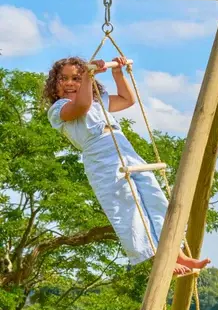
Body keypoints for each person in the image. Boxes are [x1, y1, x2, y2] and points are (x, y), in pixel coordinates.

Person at [44, 56, 209, 276]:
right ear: (54, 85)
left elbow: (127, 99)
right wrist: (88, 76)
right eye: (63, 79)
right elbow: (81, 106)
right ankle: (157, 258)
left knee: (153, 197)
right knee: (127, 206)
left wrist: (117, 73)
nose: (70, 83)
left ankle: (176, 252)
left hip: (124, 149)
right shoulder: (58, 109)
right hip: (101, 157)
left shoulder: (98, 101)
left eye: (76, 78)